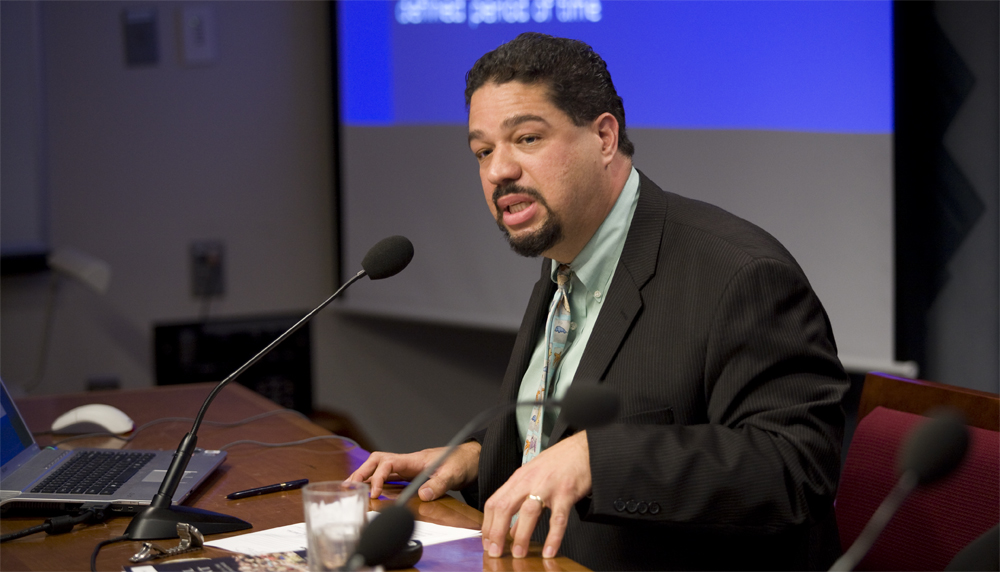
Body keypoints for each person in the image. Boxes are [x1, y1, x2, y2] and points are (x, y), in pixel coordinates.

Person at [349, 32, 849, 571]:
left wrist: (598, 459)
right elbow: (560, 422)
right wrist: (477, 455)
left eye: (528, 139)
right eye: (483, 151)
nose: (499, 171)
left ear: (605, 137)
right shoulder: (566, 260)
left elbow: (797, 469)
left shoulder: (742, 276)